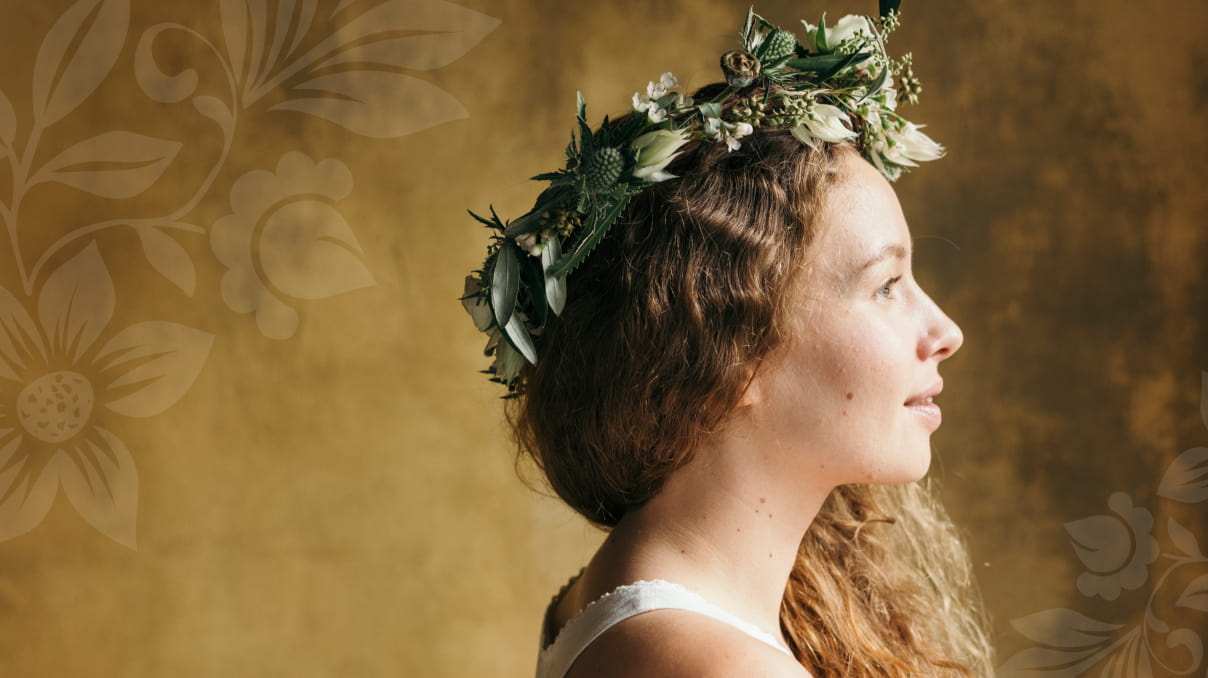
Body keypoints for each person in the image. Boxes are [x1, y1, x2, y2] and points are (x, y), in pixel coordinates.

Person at [462, 6, 994, 677]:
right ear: (734, 351)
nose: (946, 332)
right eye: (886, 286)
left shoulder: (622, 599)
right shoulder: (723, 665)